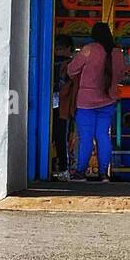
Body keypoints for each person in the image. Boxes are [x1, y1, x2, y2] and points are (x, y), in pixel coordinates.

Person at [64, 22, 126, 182]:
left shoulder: (88, 50)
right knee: (103, 136)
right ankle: (104, 173)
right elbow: (121, 75)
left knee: (85, 137)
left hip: (86, 102)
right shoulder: (118, 53)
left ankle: (80, 173)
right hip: (108, 101)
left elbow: (71, 70)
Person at [52, 34, 74, 179]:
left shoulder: (47, 61)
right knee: (62, 137)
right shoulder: (71, 65)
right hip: (64, 105)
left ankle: (51, 165)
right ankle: (64, 168)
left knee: (52, 135)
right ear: (70, 49)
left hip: (47, 105)